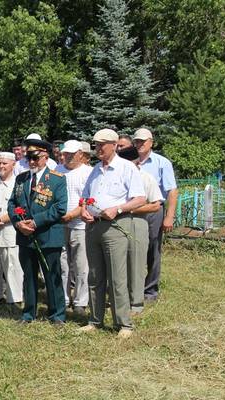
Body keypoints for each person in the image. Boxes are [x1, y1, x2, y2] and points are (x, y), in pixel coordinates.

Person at [79, 129, 145, 339]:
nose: (97, 148)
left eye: (101, 145)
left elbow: (140, 198)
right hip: (93, 226)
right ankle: (95, 319)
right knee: (95, 275)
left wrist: (117, 209)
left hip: (116, 225)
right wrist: (83, 211)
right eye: (96, 144)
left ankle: (123, 323)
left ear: (114, 145)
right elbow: (84, 198)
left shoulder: (126, 168)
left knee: (117, 276)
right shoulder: (96, 170)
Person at [8, 139, 67, 324]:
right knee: (29, 277)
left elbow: (60, 208)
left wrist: (34, 222)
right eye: (28, 157)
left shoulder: (57, 179)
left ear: (45, 156)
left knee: (52, 275)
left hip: (48, 236)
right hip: (25, 236)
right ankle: (28, 314)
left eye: (35, 157)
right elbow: (12, 204)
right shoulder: (21, 178)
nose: (31, 162)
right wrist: (19, 223)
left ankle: (57, 315)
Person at [133, 128, 178, 302]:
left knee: (152, 249)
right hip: (132, 210)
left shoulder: (161, 162)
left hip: (153, 209)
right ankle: (133, 287)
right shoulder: (129, 162)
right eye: (137, 141)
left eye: (143, 141)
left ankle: (150, 290)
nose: (140, 144)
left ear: (151, 142)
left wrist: (169, 216)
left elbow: (172, 191)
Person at [117, 146, 163, 314]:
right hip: (116, 224)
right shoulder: (117, 177)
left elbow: (155, 205)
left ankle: (135, 303)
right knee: (119, 264)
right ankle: (119, 298)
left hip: (137, 223)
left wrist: (129, 209)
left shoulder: (146, 178)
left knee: (136, 263)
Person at [58, 140, 93, 316]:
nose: (68, 157)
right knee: (62, 263)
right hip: (60, 224)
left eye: (71, 154)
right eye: (66, 154)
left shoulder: (88, 173)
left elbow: (88, 200)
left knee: (81, 265)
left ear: (80, 154)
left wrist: (73, 214)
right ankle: (63, 298)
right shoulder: (57, 171)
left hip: (80, 225)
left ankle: (81, 301)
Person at [0, 151, 24, 305]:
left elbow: (20, 208)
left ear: (13, 165)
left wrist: (1, 219)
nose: (1, 166)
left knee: (12, 266)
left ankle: (14, 298)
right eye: (0, 163)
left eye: (5, 163)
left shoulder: (18, 184)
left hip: (9, 230)